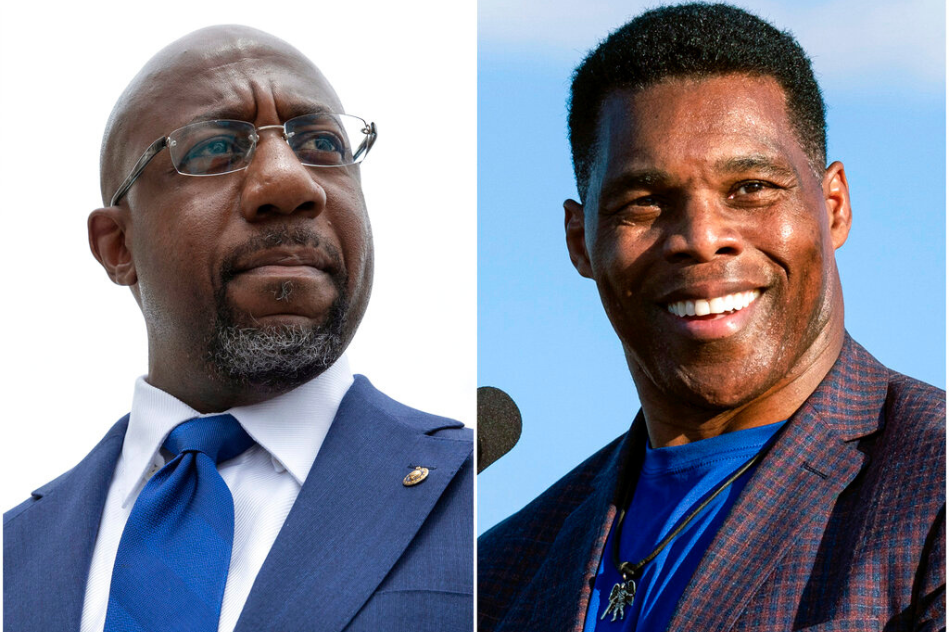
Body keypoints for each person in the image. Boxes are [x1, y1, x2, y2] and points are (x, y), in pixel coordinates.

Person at [478, 4, 945, 631]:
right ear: (580, 240)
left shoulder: (931, 492)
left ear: (833, 207)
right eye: (644, 202)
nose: (701, 238)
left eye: (751, 187)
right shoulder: (501, 570)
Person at [4, 25, 473, 632]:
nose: (289, 182)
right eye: (214, 150)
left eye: (321, 144)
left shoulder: (470, 494)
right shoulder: (13, 554)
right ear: (118, 246)